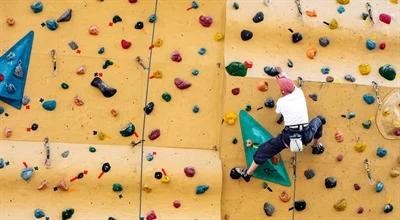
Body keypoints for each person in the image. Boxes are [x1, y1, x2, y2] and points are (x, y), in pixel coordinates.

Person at [231, 74, 326, 182]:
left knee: (264, 150)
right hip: (306, 134)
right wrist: (282, 76)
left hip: (288, 138)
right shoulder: (299, 92)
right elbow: (291, 86)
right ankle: (316, 145)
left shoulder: (281, 102)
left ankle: (248, 174)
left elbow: (280, 112)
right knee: (319, 120)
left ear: (282, 92)